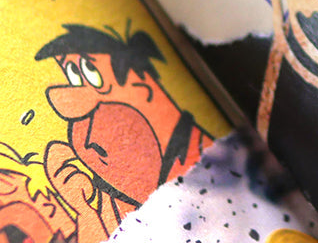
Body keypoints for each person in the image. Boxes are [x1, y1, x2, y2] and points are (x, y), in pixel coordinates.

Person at [34, 24, 213, 242]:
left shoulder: (214, 171)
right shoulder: (115, 197)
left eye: (90, 73)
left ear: (141, 85)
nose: (85, 143)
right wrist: (84, 210)